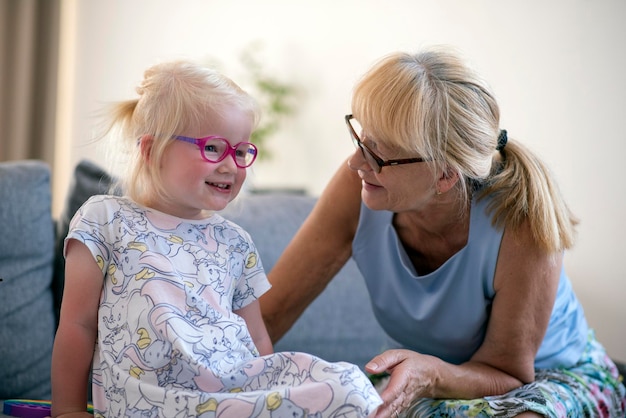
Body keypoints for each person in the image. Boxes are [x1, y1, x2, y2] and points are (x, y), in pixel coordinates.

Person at [260, 46, 626, 418]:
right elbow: (270, 315)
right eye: (361, 138)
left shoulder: (521, 222)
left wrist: (428, 374)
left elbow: (508, 373)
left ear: (446, 175)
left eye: (378, 154)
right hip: (432, 382)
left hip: (546, 379)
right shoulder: (357, 186)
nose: (356, 162)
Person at [50, 60, 382, 418]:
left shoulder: (234, 241)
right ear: (150, 151)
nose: (231, 165)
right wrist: (67, 410)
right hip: (155, 404)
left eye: (240, 152)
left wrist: (272, 396)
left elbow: (256, 339)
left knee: (351, 385)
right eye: (213, 148)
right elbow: (77, 324)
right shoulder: (105, 220)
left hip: (233, 395)